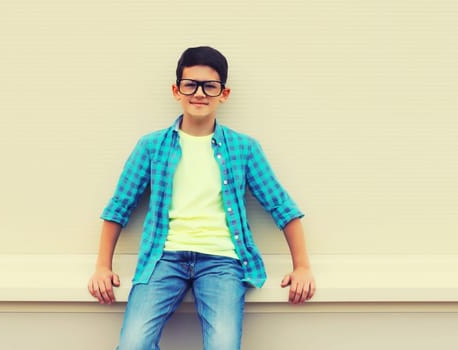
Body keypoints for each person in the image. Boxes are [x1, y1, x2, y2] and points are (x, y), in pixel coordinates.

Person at [88, 46, 316, 350]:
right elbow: (119, 207)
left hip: (222, 261)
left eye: (210, 86)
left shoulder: (243, 148)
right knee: (133, 345)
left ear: (224, 93)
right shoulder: (152, 146)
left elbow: (281, 207)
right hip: (163, 258)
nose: (199, 93)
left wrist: (302, 266)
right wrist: (102, 266)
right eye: (190, 84)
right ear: (176, 90)